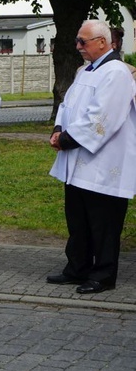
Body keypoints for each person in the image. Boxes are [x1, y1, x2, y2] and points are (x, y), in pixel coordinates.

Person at [46, 19, 136, 294]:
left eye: (82, 41)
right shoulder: (85, 71)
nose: (78, 46)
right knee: (78, 219)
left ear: (102, 42)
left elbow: (103, 117)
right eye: (77, 41)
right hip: (76, 161)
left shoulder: (116, 72)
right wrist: (58, 128)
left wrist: (67, 139)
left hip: (103, 162)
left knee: (104, 223)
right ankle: (78, 267)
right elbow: (67, 104)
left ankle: (103, 274)